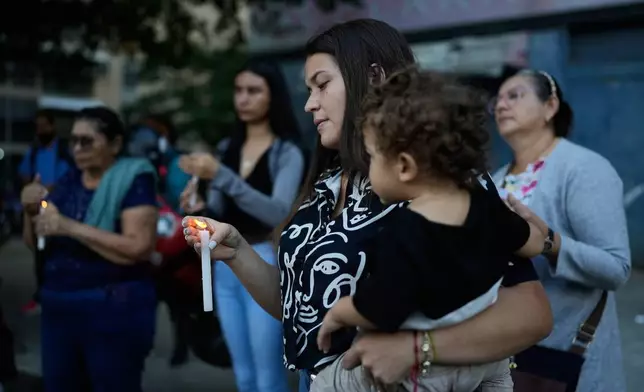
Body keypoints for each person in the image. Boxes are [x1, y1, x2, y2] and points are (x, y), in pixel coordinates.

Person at [182, 19, 553, 392]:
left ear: (374, 77)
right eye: (308, 90)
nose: (310, 104)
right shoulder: (324, 185)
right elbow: (303, 310)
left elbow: (531, 314)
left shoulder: (441, 181)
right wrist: (237, 253)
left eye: (322, 85)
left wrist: (416, 349)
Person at [311, 68, 549, 392]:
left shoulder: (403, 234)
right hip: (489, 364)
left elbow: (381, 310)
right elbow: (532, 243)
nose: (369, 166)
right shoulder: (485, 203)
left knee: (327, 384)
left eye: (373, 156)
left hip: (424, 373)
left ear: (405, 166)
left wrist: (339, 312)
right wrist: (543, 236)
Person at [490, 69, 631, 392]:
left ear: (550, 106)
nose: (501, 105)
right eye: (496, 100)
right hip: (506, 352)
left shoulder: (583, 168)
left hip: (567, 353)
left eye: (515, 95)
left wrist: (549, 243)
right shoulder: (496, 180)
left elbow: (616, 268)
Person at [179, 60, 305, 392]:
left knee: (268, 377)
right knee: (243, 373)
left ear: (272, 96)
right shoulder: (226, 148)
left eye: (253, 91)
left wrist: (221, 175)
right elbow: (220, 210)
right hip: (224, 261)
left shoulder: (286, 151)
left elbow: (276, 211)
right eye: (238, 90)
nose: (243, 99)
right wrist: (198, 208)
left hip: (265, 255)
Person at [20, 106, 158, 392]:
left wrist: (68, 227)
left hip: (112, 307)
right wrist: (29, 210)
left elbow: (139, 247)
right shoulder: (68, 181)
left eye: (87, 141)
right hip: (59, 306)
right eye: (73, 141)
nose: (78, 148)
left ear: (115, 144)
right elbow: (34, 242)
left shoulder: (133, 179)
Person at [18, 109, 73, 315]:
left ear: (52, 126)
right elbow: (24, 175)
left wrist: (46, 189)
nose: (40, 130)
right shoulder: (33, 152)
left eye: (44, 126)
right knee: (40, 253)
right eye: (37, 126)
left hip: (61, 211)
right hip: (38, 211)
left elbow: (67, 180)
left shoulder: (64, 152)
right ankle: (41, 295)